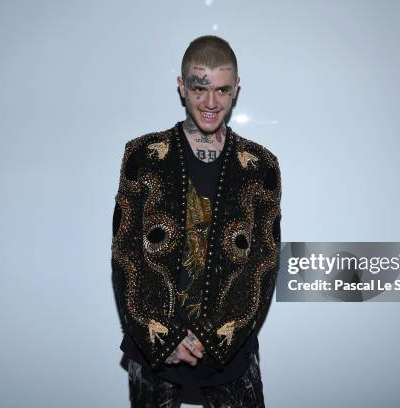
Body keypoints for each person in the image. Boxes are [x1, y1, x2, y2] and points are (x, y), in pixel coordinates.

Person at [111, 35, 282, 407]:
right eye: (199, 88)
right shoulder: (142, 155)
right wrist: (162, 338)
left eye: (222, 90)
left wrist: (217, 336)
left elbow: (264, 263)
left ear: (236, 88)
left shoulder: (261, 165)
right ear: (181, 85)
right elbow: (125, 254)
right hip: (155, 346)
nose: (210, 102)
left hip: (230, 348)